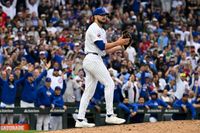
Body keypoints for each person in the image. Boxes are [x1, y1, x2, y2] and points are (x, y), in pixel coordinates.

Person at [75, 7, 130, 128]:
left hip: (94, 59)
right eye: (102, 15)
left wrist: (121, 46)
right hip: (92, 59)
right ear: (95, 16)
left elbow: (104, 51)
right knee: (109, 83)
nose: (104, 16)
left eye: (105, 15)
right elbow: (101, 46)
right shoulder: (93, 28)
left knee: (88, 92)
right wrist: (118, 42)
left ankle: (80, 119)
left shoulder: (102, 31)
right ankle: (110, 115)